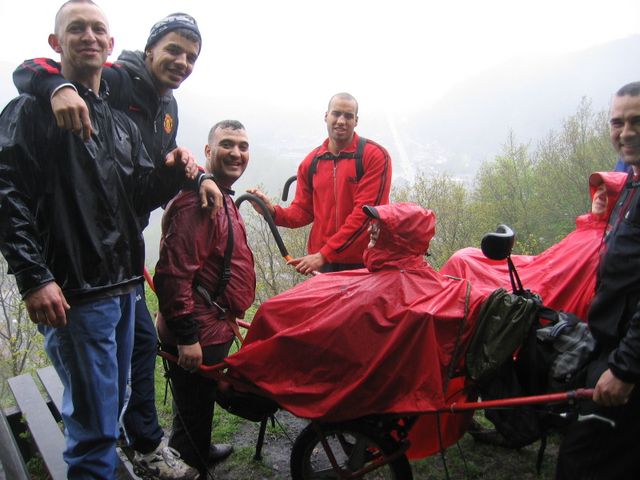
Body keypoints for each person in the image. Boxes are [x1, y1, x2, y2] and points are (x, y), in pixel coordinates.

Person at [13, 12, 226, 478]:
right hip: (79, 282)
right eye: (173, 50)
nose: (182, 61)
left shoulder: (143, 113)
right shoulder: (67, 97)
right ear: (143, 50)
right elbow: (7, 188)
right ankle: (130, 451)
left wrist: (188, 174)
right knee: (94, 426)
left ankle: (142, 445)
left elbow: (137, 188)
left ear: (110, 43)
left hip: (122, 273)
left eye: (191, 56)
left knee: (123, 386)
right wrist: (34, 277)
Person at [224, 203, 485, 458]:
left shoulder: (397, 288)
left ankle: (252, 381)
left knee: (274, 315)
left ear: (401, 239)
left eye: (381, 226)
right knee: (276, 312)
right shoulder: (401, 273)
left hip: (303, 325)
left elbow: (349, 324)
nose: (372, 228)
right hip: (333, 305)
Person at [154, 120, 256, 476]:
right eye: (227, 144)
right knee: (194, 404)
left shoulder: (219, 195)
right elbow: (173, 276)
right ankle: (191, 462)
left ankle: (197, 447)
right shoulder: (198, 204)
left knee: (195, 403)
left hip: (211, 324)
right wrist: (187, 337)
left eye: (243, 146)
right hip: (198, 329)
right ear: (208, 152)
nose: (237, 153)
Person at [555, 82, 640, 479]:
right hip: (610, 345)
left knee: (582, 462)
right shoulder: (632, 186)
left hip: (626, 363)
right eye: (618, 122)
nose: (625, 132)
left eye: (637, 121)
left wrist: (625, 369)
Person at [441, 171, 627, 320]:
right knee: (464, 258)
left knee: (465, 270)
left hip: (540, 287)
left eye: (609, 193)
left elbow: (568, 282)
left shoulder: (604, 242)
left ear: (622, 202)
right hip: (536, 269)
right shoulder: (588, 229)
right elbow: (551, 259)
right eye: (599, 190)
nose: (601, 196)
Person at [247, 92, 392, 274]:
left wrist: (324, 254)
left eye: (348, 116)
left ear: (356, 121)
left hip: (363, 263)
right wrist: (273, 212)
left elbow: (364, 216)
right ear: (326, 116)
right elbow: (303, 211)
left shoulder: (374, 156)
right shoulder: (311, 162)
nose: (341, 121)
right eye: (336, 114)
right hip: (323, 265)